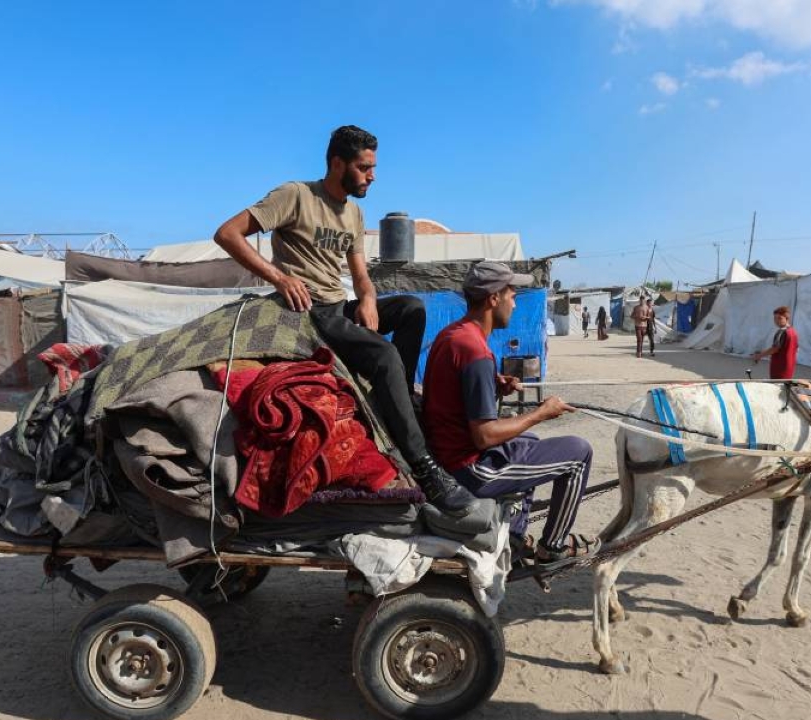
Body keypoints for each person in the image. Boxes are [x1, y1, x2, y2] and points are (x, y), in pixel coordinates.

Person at [214, 125, 475, 514]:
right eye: (364, 167)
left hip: (340, 304)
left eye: (373, 167)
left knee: (412, 308)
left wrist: (367, 298)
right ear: (337, 164)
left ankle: (399, 402)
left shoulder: (354, 212)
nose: (372, 176)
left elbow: (360, 275)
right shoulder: (295, 196)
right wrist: (280, 278)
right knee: (385, 354)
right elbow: (227, 234)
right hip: (309, 312)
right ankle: (424, 468)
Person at [422, 261, 595, 561]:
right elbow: (484, 436)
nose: (514, 304)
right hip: (469, 469)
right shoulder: (475, 351)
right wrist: (541, 412)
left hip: (447, 454)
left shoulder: (453, 335)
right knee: (579, 453)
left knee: (530, 442)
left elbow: (457, 391)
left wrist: (493, 384)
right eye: (512, 296)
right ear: (493, 298)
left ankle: (514, 537)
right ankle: (552, 547)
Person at [752, 306, 799, 379]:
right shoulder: (794, 332)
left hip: (779, 367)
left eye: (780, 318)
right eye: (775, 318)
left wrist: (759, 355)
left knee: (776, 384)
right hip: (789, 367)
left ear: (786, 318)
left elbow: (775, 349)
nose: (776, 321)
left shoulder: (781, 332)